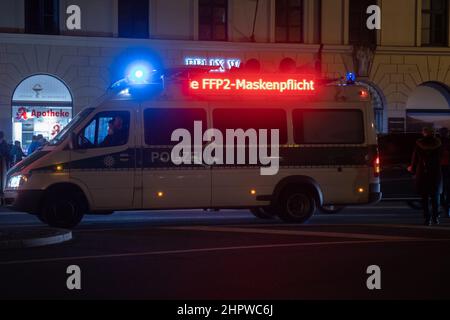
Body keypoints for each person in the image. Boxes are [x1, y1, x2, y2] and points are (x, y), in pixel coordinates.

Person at [408, 127, 443, 226]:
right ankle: (436, 217)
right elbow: (441, 156)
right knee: (435, 196)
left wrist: (412, 169)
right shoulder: (438, 143)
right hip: (435, 172)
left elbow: (415, 158)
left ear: (425, 133)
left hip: (423, 172)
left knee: (425, 197)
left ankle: (427, 218)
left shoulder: (419, 144)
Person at [439, 127, 450, 218]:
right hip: (447, 167)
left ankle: (444, 207)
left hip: (440, 167)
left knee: (440, 189)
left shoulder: (437, 142)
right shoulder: (448, 141)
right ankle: (447, 208)